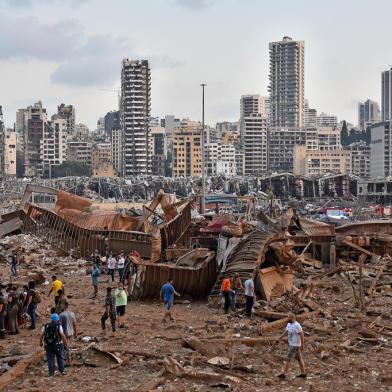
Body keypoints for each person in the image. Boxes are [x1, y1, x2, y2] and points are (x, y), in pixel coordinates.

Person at [276, 313, 306, 379]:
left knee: (288, 359)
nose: (287, 319)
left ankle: (283, 374)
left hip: (294, 345)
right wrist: (280, 338)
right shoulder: (289, 324)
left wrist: (302, 345)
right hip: (291, 344)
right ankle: (303, 373)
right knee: (299, 359)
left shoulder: (297, 325)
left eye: (288, 318)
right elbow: (286, 332)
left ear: (292, 318)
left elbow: (302, 335)